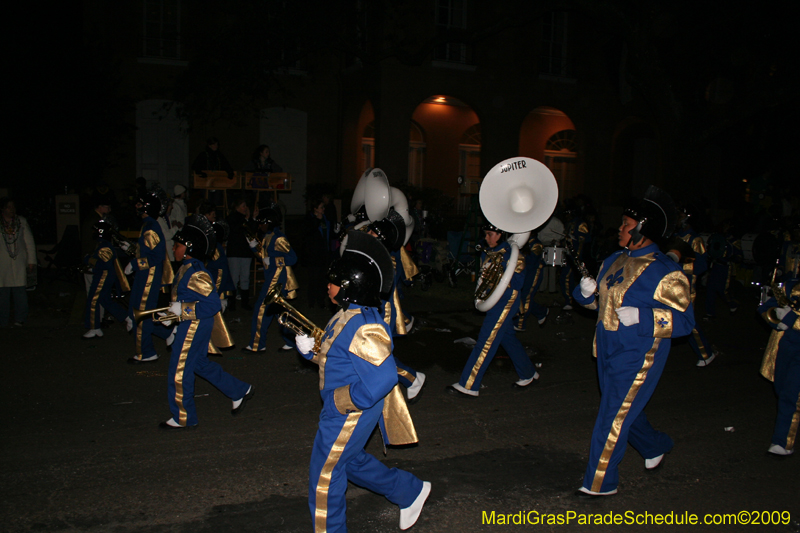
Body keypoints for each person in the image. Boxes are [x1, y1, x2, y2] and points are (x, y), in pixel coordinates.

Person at [294, 230, 431, 531]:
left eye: (334, 282)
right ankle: (408, 491)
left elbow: (382, 377)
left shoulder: (363, 325)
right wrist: (311, 353)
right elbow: (342, 361)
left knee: (324, 477)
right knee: (350, 460)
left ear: (350, 286)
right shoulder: (349, 314)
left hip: (348, 412)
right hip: (347, 409)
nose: (327, 286)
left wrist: (339, 401)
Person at [572, 187, 695, 498]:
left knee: (611, 418)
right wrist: (584, 293)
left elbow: (686, 322)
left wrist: (645, 317)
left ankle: (600, 483)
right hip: (606, 350)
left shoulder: (667, 272)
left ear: (642, 228)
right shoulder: (614, 259)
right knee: (623, 409)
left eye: (626, 224)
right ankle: (656, 445)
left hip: (639, 355)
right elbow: (597, 306)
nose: (620, 229)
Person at [159, 214, 253, 429]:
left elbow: (212, 306)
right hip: (191, 323)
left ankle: (184, 417)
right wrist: (173, 316)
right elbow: (187, 300)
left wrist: (181, 312)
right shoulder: (187, 267)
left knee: (179, 370)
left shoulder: (197, 273)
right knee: (199, 364)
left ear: (190, 248)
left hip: (194, 326)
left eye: (178, 244)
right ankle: (239, 390)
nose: (174, 248)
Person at [447, 223, 540, 398]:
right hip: (494, 300)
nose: (487, 238)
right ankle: (528, 373)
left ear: (502, 235)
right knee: (507, 337)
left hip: (506, 300)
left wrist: (502, 271)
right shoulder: (488, 251)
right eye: (486, 234)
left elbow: (518, 284)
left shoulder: (513, 254)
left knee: (486, 340)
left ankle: (469, 384)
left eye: (491, 234)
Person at [367, 213, 427, 404]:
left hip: (382, 312)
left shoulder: (386, 260)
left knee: (379, 355)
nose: (367, 233)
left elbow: (380, 290)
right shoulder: (375, 254)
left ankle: (412, 378)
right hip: (373, 310)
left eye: (372, 232)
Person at [242, 202, 298, 352]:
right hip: (272, 277)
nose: (259, 226)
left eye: (261, 223)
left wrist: (273, 261)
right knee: (278, 311)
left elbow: (292, 258)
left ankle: (257, 345)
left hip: (277, 279)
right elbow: (264, 257)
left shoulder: (278, 238)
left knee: (261, 309)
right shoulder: (268, 236)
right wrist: (254, 246)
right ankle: (292, 341)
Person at [125, 191, 173, 364]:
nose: (136, 207)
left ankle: (146, 353)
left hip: (149, 277)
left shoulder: (151, 227)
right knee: (138, 313)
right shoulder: (147, 225)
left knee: (142, 315)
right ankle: (168, 333)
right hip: (144, 276)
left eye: (139, 204)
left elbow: (156, 257)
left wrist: (135, 264)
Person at [756, 263, 799, 456]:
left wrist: (791, 319)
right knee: (781, 389)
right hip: (786, 345)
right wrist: (775, 316)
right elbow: (767, 307)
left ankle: (783, 441)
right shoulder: (792, 285)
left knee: (792, 394)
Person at [671, 207, 718, 366]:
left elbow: (701, 265)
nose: (678, 219)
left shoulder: (695, 240)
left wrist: (680, 267)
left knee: (687, 320)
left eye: (681, 216)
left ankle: (706, 353)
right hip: (670, 283)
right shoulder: (675, 236)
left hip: (685, 286)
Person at [82, 220, 129, 339]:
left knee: (94, 300)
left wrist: (88, 260)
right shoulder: (103, 245)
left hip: (103, 277)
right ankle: (127, 317)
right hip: (104, 276)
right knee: (105, 300)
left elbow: (104, 264)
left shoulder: (104, 247)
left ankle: (94, 327)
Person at [0, 198, 37, 327]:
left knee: (20, 292)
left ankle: (20, 318)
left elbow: (29, 242)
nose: (12, 210)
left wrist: (31, 261)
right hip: (2, 264)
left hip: (18, 263)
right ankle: (2, 320)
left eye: (13, 207)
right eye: (9, 207)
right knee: (2, 294)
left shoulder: (21, 222)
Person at [225, 196, 257, 310]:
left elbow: (252, 232)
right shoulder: (231, 218)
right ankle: (232, 303)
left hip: (245, 252)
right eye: (243, 206)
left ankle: (244, 302)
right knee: (234, 278)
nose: (245, 208)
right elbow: (237, 230)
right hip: (234, 252)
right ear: (237, 207)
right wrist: (247, 219)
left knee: (245, 277)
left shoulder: (246, 219)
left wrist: (251, 218)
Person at [514, 234, 549, 331]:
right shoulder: (519, 241)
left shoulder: (536, 244)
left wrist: (519, 255)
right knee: (521, 296)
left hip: (533, 273)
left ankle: (520, 323)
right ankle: (541, 312)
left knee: (526, 297)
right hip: (523, 272)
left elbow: (532, 261)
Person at [303, 198, 332, 309]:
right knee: (313, 279)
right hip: (313, 255)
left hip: (324, 254)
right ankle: (311, 301)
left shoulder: (325, 219)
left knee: (323, 279)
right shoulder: (309, 219)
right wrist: (316, 221)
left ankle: (321, 300)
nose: (323, 209)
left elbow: (328, 234)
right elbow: (308, 234)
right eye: (321, 207)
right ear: (315, 209)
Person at [207, 220, 235, 313]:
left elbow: (220, 272)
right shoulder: (215, 247)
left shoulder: (215, 249)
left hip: (218, 288)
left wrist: (216, 291)